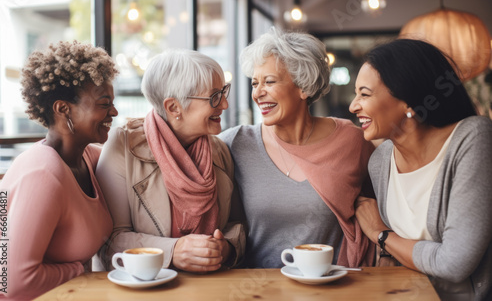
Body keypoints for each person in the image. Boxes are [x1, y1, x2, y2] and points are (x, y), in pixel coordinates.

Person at [219, 27, 375, 269]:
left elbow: (379, 207)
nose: (258, 93)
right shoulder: (235, 143)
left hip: (333, 287)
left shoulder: (352, 141)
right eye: (254, 83)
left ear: (304, 87)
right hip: (258, 290)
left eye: (269, 82)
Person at [350, 38, 492, 301]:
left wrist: (381, 234)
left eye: (364, 94)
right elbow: (392, 259)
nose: (353, 105)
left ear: (407, 102)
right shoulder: (380, 160)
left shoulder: (473, 139)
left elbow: (455, 262)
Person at [96, 49, 245, 273]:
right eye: (214, 96)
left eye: (224, 92)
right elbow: (108, 243)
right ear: (174, 107)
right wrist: (172, 251)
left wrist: (226, 248)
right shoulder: (122, 146)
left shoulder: (220, 150)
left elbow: (237, 226)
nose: (224, 104)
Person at [0, 41, 119, 299]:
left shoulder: (89, 159)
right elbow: (15, 283)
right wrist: (81, 271)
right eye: (104, 103)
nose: (114, 112)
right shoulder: (42, 174)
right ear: (63, 109)